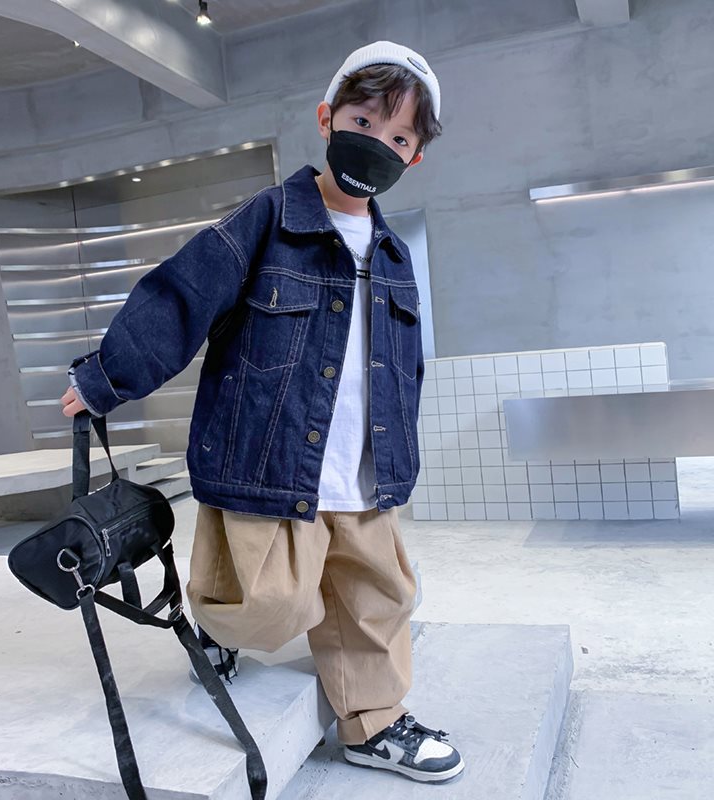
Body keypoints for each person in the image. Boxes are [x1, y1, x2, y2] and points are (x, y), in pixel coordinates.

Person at [61, 40, 464, 784]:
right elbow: (182, 294)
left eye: (398, 137)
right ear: (327, 117)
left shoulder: (394, 257)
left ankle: (373, 721)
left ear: (413, 157)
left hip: (363, 471)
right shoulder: (268, 219)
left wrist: (399, 459)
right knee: (268, 605)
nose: (377, 143)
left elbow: (404, 370)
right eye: (363, 122)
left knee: (379, 600)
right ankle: (218, 628)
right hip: (271, 460)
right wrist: (108, 377)